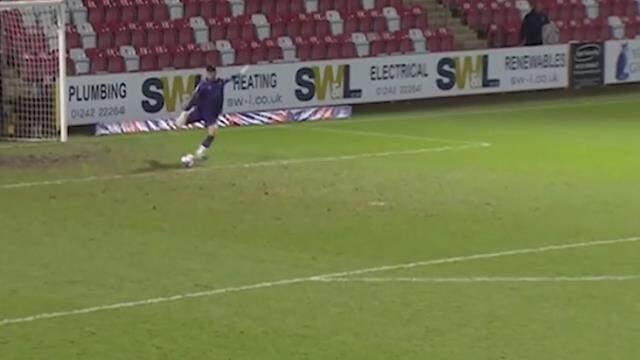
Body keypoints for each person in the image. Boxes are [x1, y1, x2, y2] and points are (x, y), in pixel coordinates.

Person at [176, 65, 232, 162]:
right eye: (209, 73)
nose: (211, 74)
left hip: (211, 114)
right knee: (179, 124)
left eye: (212, 72)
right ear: (207, 73)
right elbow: (194, 98)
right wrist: (185, 111)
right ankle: (188, 154)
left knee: (213, 132)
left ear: (215, 73)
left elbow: (229, 80)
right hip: (200, 111)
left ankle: (200, 151)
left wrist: (237, 77)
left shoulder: (220, 82)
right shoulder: (203, 85)